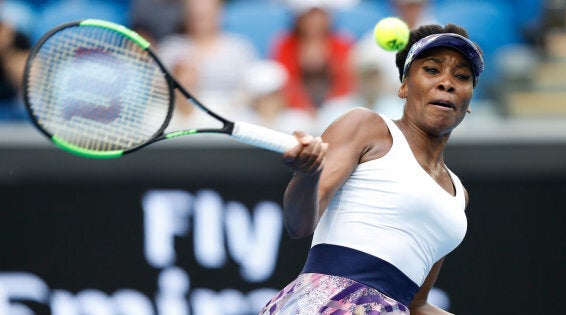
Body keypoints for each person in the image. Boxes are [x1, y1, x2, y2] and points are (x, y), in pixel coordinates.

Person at [260, 23, 484, 314]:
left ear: (468, 101)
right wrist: (307, 173)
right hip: (327, 304)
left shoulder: (458, 195)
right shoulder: (366, 127)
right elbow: (299, 224)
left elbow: (416, 304)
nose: (447, 83)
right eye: (431, 70)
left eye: (462, 76)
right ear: (404, 85)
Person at [156, 0, 259, 130]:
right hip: (182, 121)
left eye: (204, 14)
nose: (198, 17)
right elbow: (159, 90)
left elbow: (252, 91)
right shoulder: (171, 48)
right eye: (194, 13)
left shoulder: (239, 48)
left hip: (231, 118)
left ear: (219, 13)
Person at [271, 1, 356, 115]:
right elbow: (284, 84)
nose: (314, 20)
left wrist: (329, 109)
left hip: (335, 110)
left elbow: (347, 82)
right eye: (309, 15)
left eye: (320, 14)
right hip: (296, 112)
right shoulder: (284, 44)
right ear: (298, 18)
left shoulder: (342, 43)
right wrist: (304, 108)